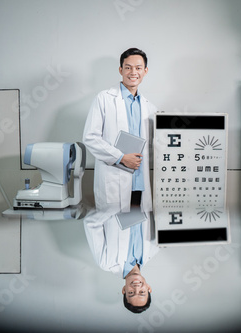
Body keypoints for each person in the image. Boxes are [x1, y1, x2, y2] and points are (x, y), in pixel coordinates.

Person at [82, 48, 159, 313]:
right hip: (115, 179)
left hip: (139, 187)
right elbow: (90, 137)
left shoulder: (150, 107)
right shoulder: (104, 99)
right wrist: (119, 158)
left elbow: (92, 227)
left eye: (138, 68)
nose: (133, 72)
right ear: (121, 70)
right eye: (128, 67)